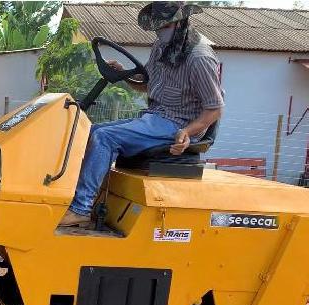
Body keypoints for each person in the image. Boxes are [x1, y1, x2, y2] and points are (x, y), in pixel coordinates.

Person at [59, 1, 224, 226]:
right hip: (156, 116)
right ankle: (86, 198)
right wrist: (123, 73)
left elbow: (214, 108)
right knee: (92, 130)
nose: (159, 32)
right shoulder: (161, 47)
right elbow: (147, 84)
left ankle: (80, 209)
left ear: (181, 22)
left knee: (105, 138)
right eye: (157, 27)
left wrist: (187, 131)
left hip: (178, 124)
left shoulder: (199, 58)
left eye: (164, 26)